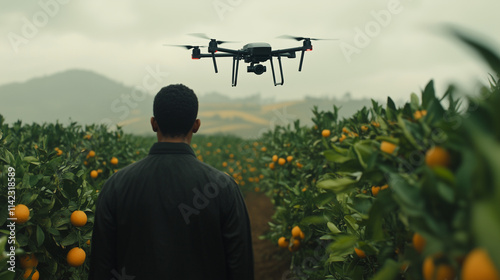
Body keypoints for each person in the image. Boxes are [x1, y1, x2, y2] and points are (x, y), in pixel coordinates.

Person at [89, 84, 254, 280]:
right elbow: (241, 268)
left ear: (153, 124)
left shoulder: (115, 186)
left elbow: (100, 268)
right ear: (196, 125)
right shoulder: (223, 188)